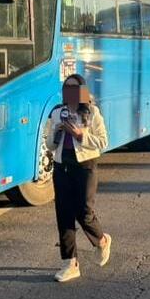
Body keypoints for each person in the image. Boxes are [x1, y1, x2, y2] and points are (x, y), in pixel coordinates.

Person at [44, 74, 111, 283]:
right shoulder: (56, 112)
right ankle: (70, 263)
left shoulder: (91, 112)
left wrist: (81, 134)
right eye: (67, 88)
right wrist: (56, 132)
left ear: (82, 91)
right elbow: (49, 145)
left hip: (85, 166)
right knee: (63, 213)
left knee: (84, 211)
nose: (71, 92)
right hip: (62, 166)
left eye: (75, 88)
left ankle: (101, 240)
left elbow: (103, 142)